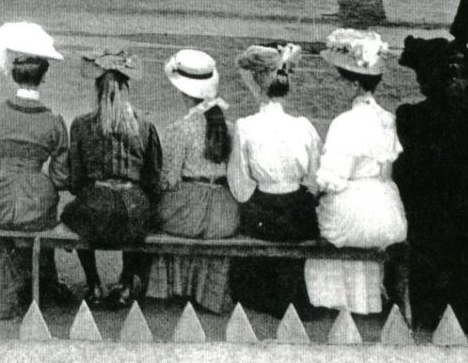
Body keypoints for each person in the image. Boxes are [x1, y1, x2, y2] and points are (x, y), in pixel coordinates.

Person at [395, 36, 468, 333]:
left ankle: (432, 312)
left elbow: (407, 166)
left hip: (428, 206)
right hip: (467, 202)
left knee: (430, 253)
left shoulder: (410, 116)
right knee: (464, 255)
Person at [304, 29, 407, 316]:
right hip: (385, 208)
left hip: (353, 209)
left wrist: (314, 195)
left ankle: (334, 299)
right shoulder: (388, 119)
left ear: (351, 86)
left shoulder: (345, 122)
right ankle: (366, 297)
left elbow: (333, 179)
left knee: (323, 214)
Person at [0, 22, 68, 321]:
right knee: (41, 222)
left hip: (1, 198)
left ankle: (3, 302)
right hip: (36, 202)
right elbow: (60, 175)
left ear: (15, 76)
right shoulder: (54, 122)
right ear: (43, 77)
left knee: (0, 234)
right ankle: (42, 293)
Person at [60, 50, 160, 310]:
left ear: (97, 90)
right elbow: (152, 178)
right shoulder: (145, 125)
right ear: (126, 89)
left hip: (95, 210)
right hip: (133, 209)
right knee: (141, 211)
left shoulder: (81, 125)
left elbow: (76, 180)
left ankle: (93, 283)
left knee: (74, 213)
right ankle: (126, 283)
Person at [226, 43, 320, 318]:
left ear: (256, 83)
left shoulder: (246, 126)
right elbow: (314, 178)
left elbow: (240, 186)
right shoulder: (304, 126)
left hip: (264, 210)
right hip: (298, 213)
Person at [146, 49, 239, 314]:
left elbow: (170, 179)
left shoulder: (179, 129)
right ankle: (207, 292)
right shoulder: (230, 128)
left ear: (183, 92)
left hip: (188, 209)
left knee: (159, 212)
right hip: (223, 211)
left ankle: (171, 287)